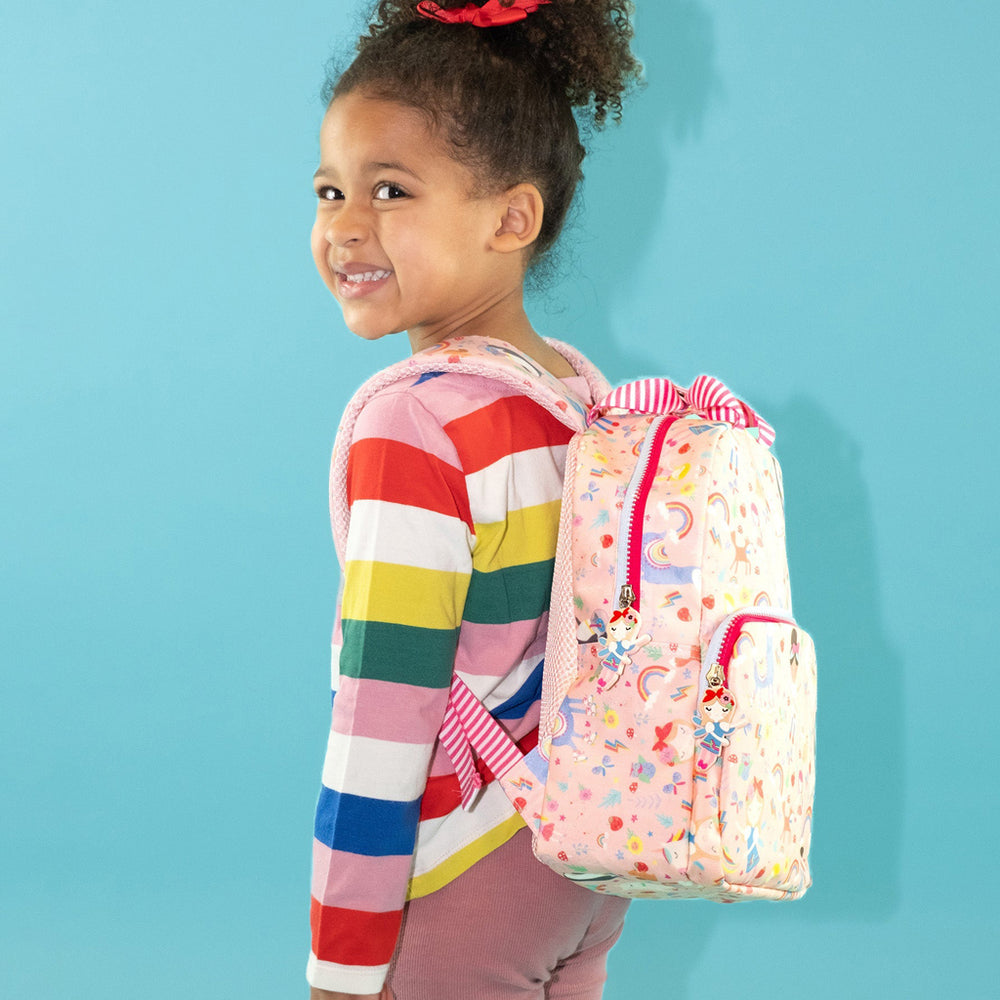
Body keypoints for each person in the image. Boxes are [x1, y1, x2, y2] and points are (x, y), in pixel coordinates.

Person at [307, 2, 641, 997]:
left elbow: (386, 706)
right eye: (329, 190)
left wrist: (343, 955)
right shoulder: (580, 397)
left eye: (391, 190)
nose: (344, 226)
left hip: (462, 869)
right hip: (582, 854)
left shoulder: (415, 425)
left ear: (510, 218)